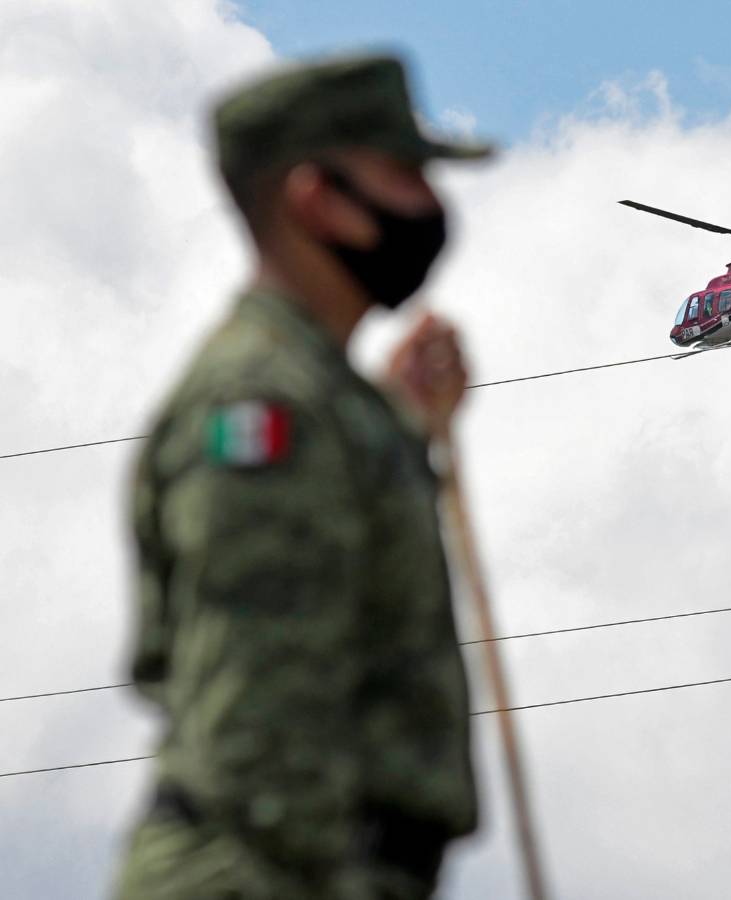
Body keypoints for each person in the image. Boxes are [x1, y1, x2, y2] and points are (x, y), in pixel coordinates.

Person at [114, 53, 491, 900]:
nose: (431, 205)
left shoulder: (318, 398)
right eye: (405, 175)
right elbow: (262, 743)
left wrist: (400, 423)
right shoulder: (264, 407)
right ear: (318, 198)